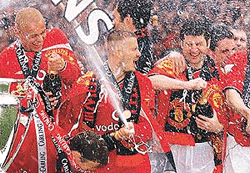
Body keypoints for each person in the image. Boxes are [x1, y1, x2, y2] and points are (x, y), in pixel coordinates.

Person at [58, 30, 175, 173]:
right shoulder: (86, 83)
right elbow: (71, 130)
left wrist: (133, 131)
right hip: (100, 167)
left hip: (135, 165)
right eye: (133, 49)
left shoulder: (143, 83)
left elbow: (148, 129)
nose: (138, 54)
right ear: (117, 52)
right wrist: (100, 143)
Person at [148, 19, 228, 173]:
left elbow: (229, 110)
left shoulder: (218, 72)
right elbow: (150, 81)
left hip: (207, 146)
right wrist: (187, 85)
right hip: (173, 142)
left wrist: (220, 126)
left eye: (198, 44)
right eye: (189, 44)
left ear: (208, 43)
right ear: (182, 43)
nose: (194, 50)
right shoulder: (174, 63)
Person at [0, 7, 81, 109]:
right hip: (30, 123)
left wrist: (64, 67)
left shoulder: (55, 37)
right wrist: (33, 102)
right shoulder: (5, 59)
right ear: (18, 33)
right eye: (33, 36)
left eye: (42, 32)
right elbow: (4, 103)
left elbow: (78, 78)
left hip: (62, 119)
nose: (40, 40)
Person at [113, 0, 155, 74]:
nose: (113, 22)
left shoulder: (139, 46)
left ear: (127, 20)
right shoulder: (145, 40)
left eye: (115, 18)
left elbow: (145, 78)